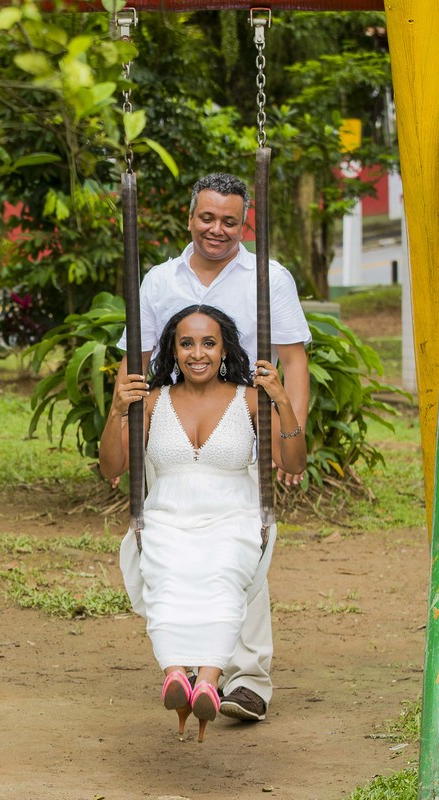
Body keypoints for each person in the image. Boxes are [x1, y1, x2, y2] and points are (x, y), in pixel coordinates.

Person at [102, 172, 312, 723]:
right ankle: (192, 667)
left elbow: (293, 360)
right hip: (174, 422)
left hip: (247, 417)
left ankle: (247, 679)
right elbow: (138, 358)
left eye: (230, 220)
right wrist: (128, 416)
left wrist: (286, 433)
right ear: (188, 216)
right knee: (177, 534)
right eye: (206, 217)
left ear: (246, 222)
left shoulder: (269, 276)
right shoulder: (159, 280)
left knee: (240, 540)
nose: (217, 229)